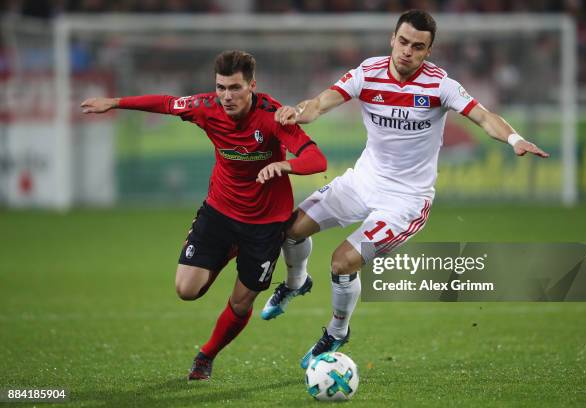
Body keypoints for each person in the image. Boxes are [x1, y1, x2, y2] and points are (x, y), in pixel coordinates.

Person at [260, 10, 549, 369]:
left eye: (418, 46)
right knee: (289, 230)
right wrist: (298, 111)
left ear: (428, 51)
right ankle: (296, 282)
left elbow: (484, 116)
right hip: (361, 182)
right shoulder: (367, 73)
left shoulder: (440, 85)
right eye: (403, 41)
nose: (407, 51)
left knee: (343, 261)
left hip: (405, 202)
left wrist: (515, 139)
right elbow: (320, 103)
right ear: (392, 39)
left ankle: (337, 331)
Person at [80, 50, 327, 380]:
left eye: (235, 88)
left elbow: (316, 159)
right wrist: (115, 102)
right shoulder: (205, 108)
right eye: (220, 87)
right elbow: (166, 104)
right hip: (220, 213)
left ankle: (206, 355)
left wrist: (284, 165)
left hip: (265, 224)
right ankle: (226, 248)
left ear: (252, 85)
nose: (226, 96)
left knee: (241, 303)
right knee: (186, 289)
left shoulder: (272, 116)